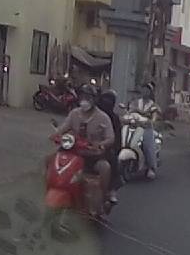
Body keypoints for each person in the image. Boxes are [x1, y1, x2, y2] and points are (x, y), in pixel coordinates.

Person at [54, 85, 115, 214]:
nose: (84, 100)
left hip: (93, 156)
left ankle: (103, 199)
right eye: (82, 96)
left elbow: (110, 138)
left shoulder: (103, 117)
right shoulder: (74, 114)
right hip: (74, 154)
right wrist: (56, 134)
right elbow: (63, 128)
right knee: (51, 161)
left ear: (94, 99)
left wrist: (100, 144)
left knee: (105, 168)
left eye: (88, 97)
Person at [122, 88, 161, 180]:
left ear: (150, 92)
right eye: (143, 90)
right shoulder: (135, 102)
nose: (145, 92)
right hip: (134, 127)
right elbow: (129, 112)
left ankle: (151, 168)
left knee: (147, 146)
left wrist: (151, 121)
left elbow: (154, 117)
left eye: (147, 91)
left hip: (146, 128)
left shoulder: (153, 105)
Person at [96, 89, 124, 204]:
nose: (106, 102)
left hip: (104, 149)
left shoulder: (114, 118)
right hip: (85, 146)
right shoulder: (89, 114)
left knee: (113, 160)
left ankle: (111, 189)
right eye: (104, 99)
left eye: (110, 100)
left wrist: (111, 147)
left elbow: (116, 139)